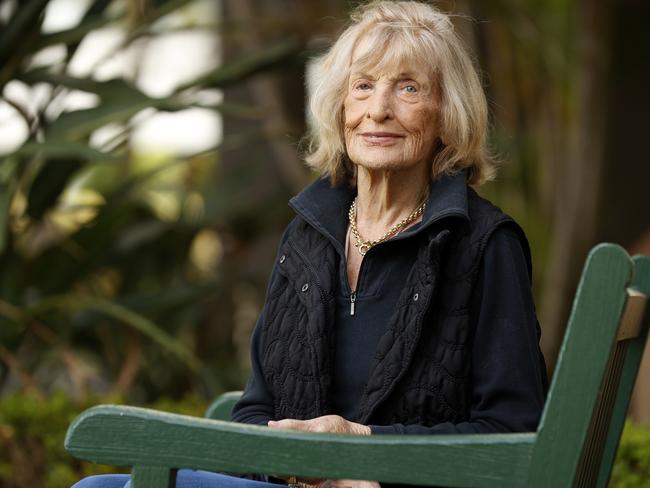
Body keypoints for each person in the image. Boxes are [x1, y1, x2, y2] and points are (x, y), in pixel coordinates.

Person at [72, 1, 547, 487]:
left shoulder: (484, 244)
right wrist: (299, 467)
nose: (378, 110)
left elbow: (512, 431)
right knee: (96, 487)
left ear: (447, 115)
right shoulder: (308, 236)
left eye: (408, 88)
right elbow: (255, 411)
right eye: (362, 86)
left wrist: (363, 448)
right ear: (340, 109)